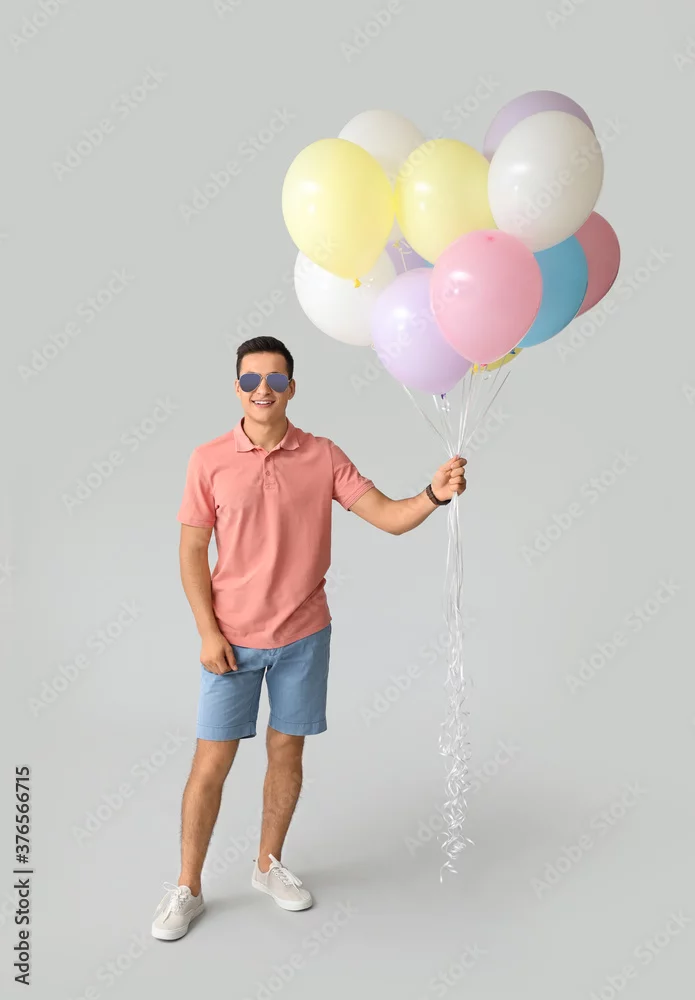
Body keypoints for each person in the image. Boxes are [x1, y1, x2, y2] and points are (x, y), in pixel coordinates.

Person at [151, 335, 466, 940]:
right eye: (250, 380)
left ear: (292, 388)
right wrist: (207, 632)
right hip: (231, 640)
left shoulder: (322, 455)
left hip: (304, 636)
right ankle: (188, 886)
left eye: (275, 379)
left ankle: (268, 865)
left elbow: (388, 517)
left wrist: (433, 494)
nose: (262, 389)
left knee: (287, 752)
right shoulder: (207, 460)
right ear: (237, 388)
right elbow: (191, 552)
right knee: (211, 762)